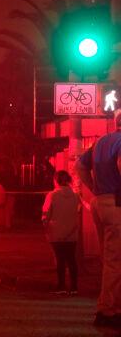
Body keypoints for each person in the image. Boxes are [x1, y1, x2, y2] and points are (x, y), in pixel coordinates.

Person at [76, 109, 121, 329]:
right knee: (115, 261)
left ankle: (113, 306)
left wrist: (93, 188)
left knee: (109, 259)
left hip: (101, 202)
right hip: (117, 204)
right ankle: (107, 310)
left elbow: (80, 165)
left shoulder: (101, 142)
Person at [42, 170, 80, 295]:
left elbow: (46, 214)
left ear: (56, 181)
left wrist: (45, 225)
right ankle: (74, 287)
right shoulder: (75, 196)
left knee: (60, 260)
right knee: (71, 260)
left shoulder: (52, 195)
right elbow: (77, 213)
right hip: (71, 233)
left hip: (56, 232)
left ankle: (61, 286)